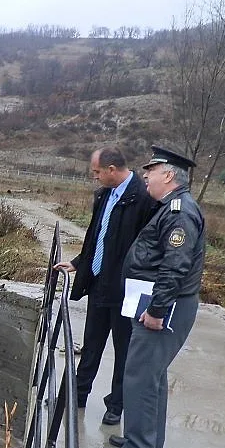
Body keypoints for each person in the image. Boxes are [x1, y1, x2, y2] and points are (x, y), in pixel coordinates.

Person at [99, 146, 206, 448]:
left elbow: (175, 266)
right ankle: (144, 438)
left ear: (169, 175)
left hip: (164, 307)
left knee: (141, 376)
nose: (146, 175)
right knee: (152, 376)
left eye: (153, 170)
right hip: (155, 302)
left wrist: (157, 311)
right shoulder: (170, 207)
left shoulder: (179, 213)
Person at [55, 146, 156, 425]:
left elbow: (149, 246)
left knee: (124, 350)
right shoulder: (105, 195)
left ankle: (116, 405)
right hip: (100, 282)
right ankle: (79, 392)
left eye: (97, 171)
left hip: (125, 289)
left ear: (112, 170)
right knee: (92, 343)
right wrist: (79, 262)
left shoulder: (143, 198)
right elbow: (97, 235)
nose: (95, 176)